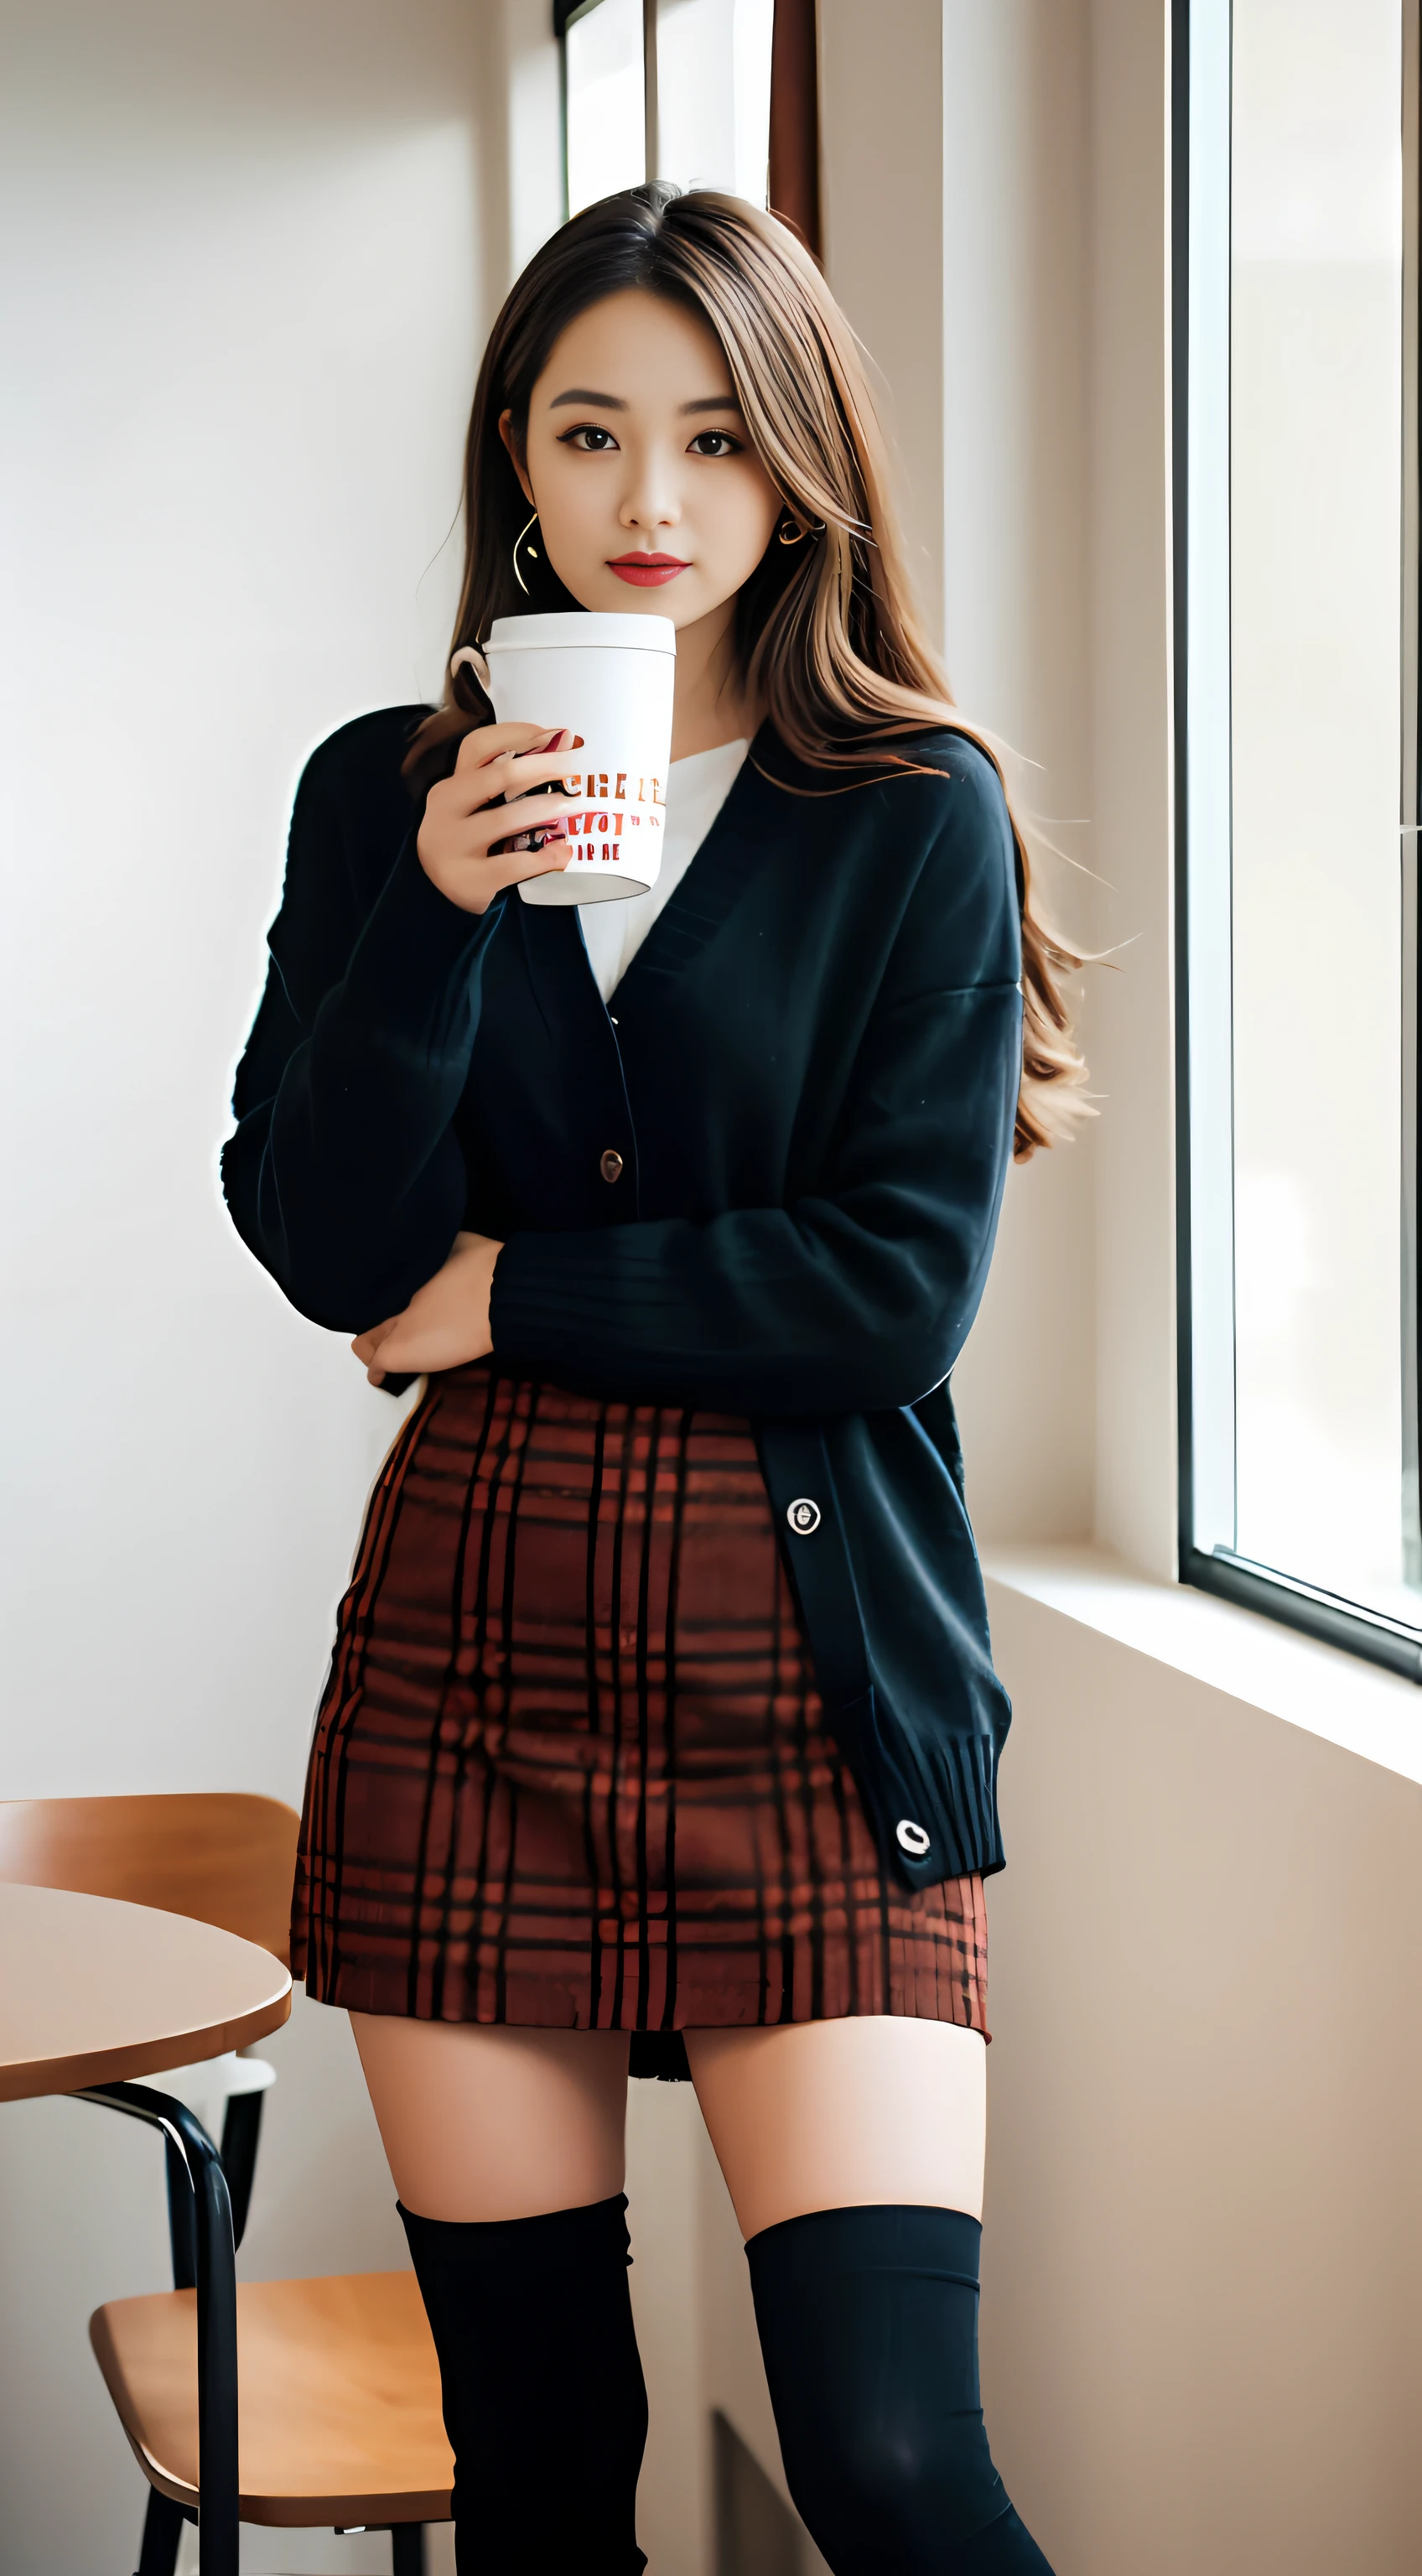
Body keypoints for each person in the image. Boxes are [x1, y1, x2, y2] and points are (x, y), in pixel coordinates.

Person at [224, 182, 1086, 2576]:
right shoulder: (372, 791)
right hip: (469, 1684)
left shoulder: (910, 809)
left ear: (798, 466)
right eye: (592, 435)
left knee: (899, 2463)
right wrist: (435, 901)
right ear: (518, 449)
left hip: (818, 1689)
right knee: (543, 2471)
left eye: (713, 441)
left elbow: (896, 1285)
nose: (649, 504)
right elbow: (324, 1242)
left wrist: (516, 1297)